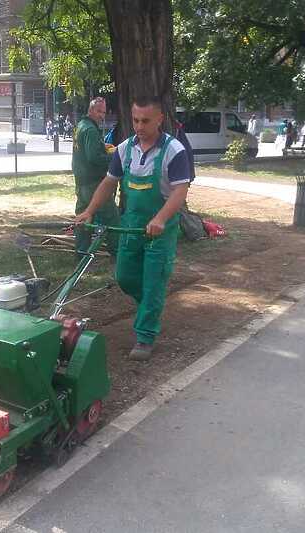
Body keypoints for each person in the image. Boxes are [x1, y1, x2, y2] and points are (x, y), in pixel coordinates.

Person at [76, 96, 193, 361]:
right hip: (130, 226)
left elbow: (180, 191)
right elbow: (109, 182)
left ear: (160, 119)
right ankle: (150, 307)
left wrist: (161, 218)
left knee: (153, 282)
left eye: (146, 121)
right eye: (135, 120)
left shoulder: (174, 150)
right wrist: (89, 210)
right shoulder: (125, 149)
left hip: (160, 230)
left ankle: (145, 337)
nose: (139, 126)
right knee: (125, 277)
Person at [72, 97, 119, 255]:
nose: (102, 115)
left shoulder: (81, 126)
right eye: (99, 111)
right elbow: (94, 158)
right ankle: (117, 251)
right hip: (94, 182)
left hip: (81, 181)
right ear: (91, 110)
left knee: (83, 217)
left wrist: (101, 146)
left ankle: (81, 251)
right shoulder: (91, 130)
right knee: (111, 218)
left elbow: (86, 150)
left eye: (104, 112)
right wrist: (114, 157)